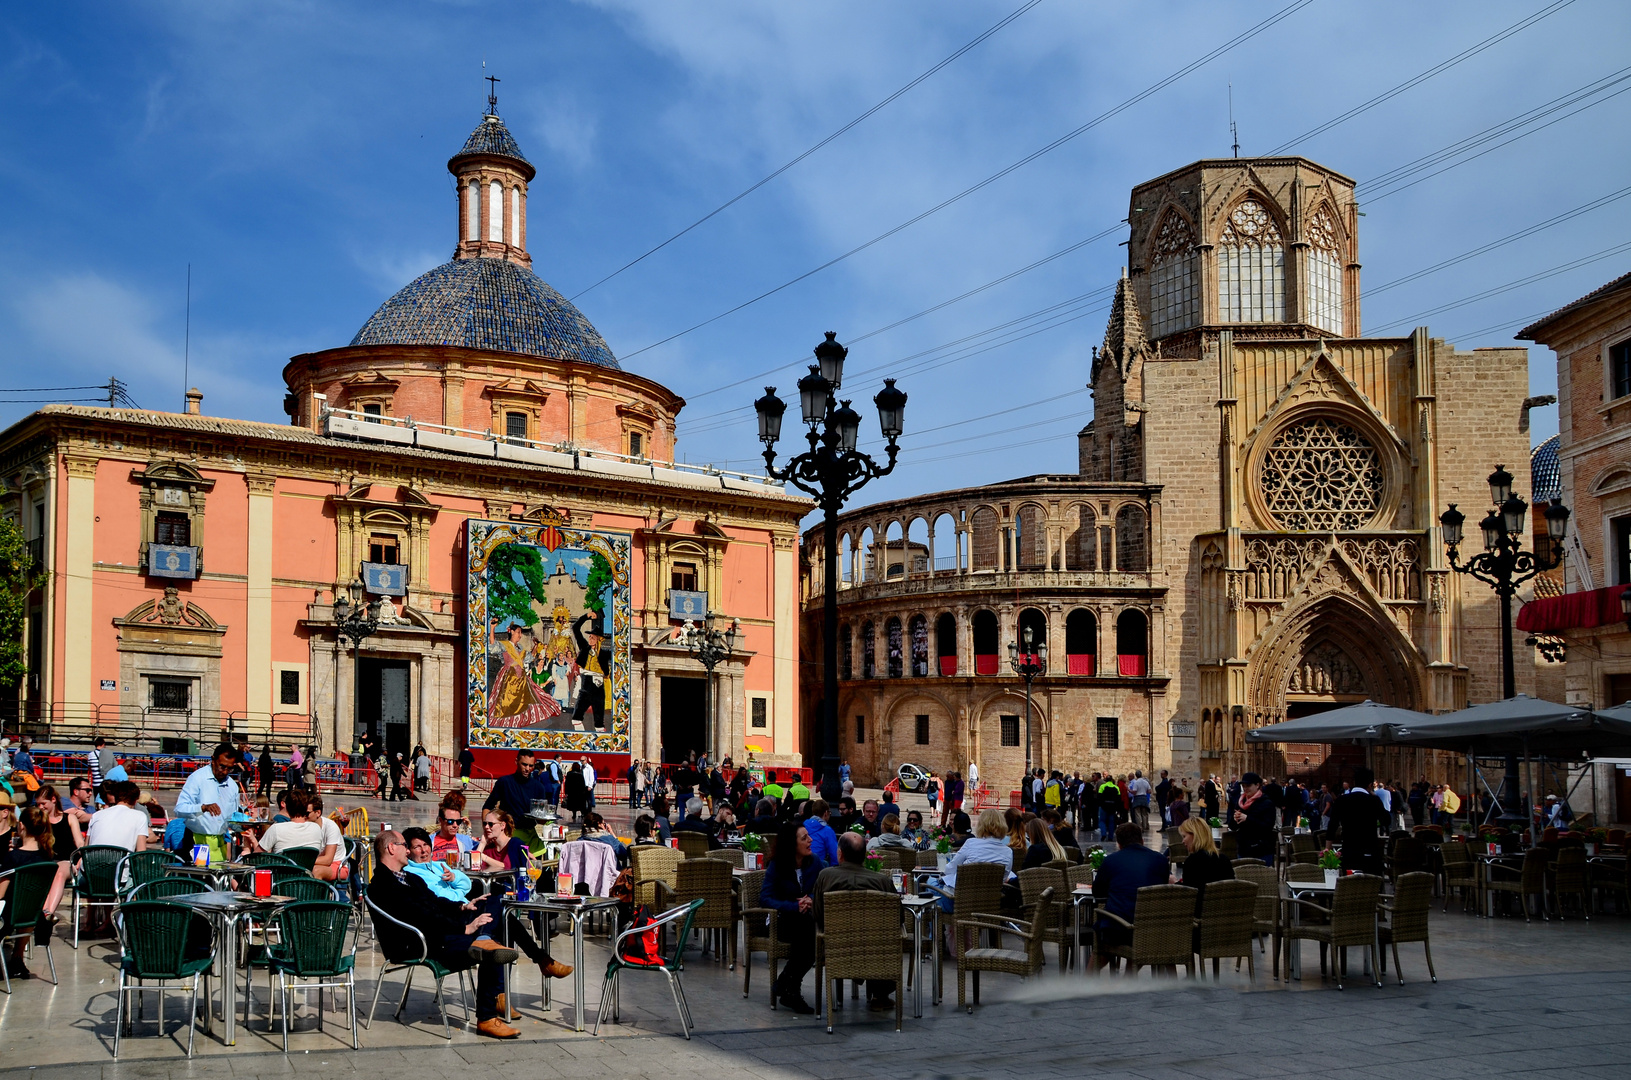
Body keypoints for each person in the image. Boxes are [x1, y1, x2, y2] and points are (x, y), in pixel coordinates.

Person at [368, 830, 522, 1038]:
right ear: (391, 848)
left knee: (494, 901)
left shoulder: (410, 878)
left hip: (436, 933)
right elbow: (421, 916)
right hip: (418, 943)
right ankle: (486, 1018)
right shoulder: (383, 885)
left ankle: (484, 940)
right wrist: (463, 928)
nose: (408, 850)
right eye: (404, 845)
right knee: (489, 948)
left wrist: (462, 908)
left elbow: (435, 902)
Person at [813, 831, 897, 1010]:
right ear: (865, 856)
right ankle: (880, 995)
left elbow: (818, 914)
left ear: (840, 854)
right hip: (874, 952)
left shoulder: (825, 876)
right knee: (882, 937)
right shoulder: (882, 882)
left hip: (836, 947)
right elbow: (896, 919)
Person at [759, 820, 822, 1013]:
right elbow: (765, 898)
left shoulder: (815, 862)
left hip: (805, 921)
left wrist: (810, 899)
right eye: (804, 838)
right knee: (809, 932)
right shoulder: (777, 865)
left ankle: (786, 984)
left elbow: (821, 889)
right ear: (792, 844)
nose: (810, 840)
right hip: (781, 921)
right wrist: (794, 906)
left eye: (808, 836)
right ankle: (790, 989)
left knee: (809, 931)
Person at [0, 806, 72, 973]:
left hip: (9, 916)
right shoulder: (46, 858)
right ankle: (17, 957)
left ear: (22, 826)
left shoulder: (13, 858)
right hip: (33, 915)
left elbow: (1, 895)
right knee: (26, 906)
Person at [1092, 822, 1169, 969]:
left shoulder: (1110, 861)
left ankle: (1086, 982)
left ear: (1119, 844)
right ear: (1142, 840)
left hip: (1119, 927)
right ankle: (1127, 980)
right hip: (1153, 925)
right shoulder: (1160, 860)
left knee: (1103, 942)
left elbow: (1098, 892)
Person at [256, 789, 348, 881]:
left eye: (307, 813)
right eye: (305, 812)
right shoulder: (315, 829)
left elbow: (256, 856)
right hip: (307, 869)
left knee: (315, 871)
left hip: (336, 865)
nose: (305, 816)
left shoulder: (327, 827)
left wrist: (295, 860)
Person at [174, 743, 242, 864]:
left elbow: (232, 818)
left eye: (230, 768)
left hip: (220, 843)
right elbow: (179, 809)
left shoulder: (232, 786)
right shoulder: (197, 778)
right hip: (197, 840)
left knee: (218, 880)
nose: (225, 771)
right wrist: (203, 807)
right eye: (222, 766)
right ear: (213, 760)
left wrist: (243, 825)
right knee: (200, 879)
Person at [1328, 767, 1390, 876]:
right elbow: (1387, 820)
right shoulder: (1373, 801)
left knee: (1350, 886)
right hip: (1370, 852)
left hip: (1349, 852)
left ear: (1354, 782)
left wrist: (1327, 851)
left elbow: (1332, 827)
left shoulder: (1341, 800)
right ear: (1370, 785)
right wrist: (1374, 797)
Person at [484, 749, 550, 848]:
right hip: (508, 835)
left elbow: (541, 821)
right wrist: (487, 829)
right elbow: (487, 807)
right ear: (516, 762)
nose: (527, 768)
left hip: (530, 837)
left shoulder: (539, 787)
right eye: (524, 764)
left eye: (531, 766)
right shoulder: (504, 782)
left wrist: (545, 817)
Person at [1175, 816, 1233, 912]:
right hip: (1223, 914)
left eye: (1184, 836)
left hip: (1201, 916)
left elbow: (1190, 893)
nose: (1183, 841)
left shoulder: (1193, 861)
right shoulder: (1224, 859)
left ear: (1195, 835)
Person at [1227, 771, 1277, 865]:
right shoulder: (1241, 802)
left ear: (1257, 785)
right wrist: (1234, 819)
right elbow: (1233, 827)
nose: (1245, 788)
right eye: (1244, 786)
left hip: (1261, 851)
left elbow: (1267, 827)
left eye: (1248, 785)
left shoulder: (1267, 803)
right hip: (1244, 849)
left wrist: (1247, 818)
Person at [84, 780, 149, 851]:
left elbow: (85, 848)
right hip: (121, 861)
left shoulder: (97, 815)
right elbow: (141, 852)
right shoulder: (140, 816)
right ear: (135, 801)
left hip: (92, 860)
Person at [36, 785, 83, 856]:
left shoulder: (70, 818)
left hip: (68, 858)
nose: (40, 807)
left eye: (43, 803)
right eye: (38, 804)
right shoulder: (38, 820)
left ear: (53, 799)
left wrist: (82, 856)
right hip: (48, 860)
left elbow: (79, 842)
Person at [431, 796, 478, 862]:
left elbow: (481, 854)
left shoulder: (466, 840)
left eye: (458, 822)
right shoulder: (428, 842)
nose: (455, 825)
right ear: (440, 820)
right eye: (450, 821)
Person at [802, 799, 838, 866]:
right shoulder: (827, 830)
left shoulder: (803, 827)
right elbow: (835, 855)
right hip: (819, 867)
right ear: (826, 813)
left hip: (802, 865)